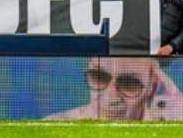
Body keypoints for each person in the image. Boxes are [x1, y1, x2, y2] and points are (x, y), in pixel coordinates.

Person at [47, 58, 183, 120]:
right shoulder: (54, 127)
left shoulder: (170, 125)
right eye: (98, 77)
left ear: (151, 88)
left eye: (129, 84)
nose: (110, 97)